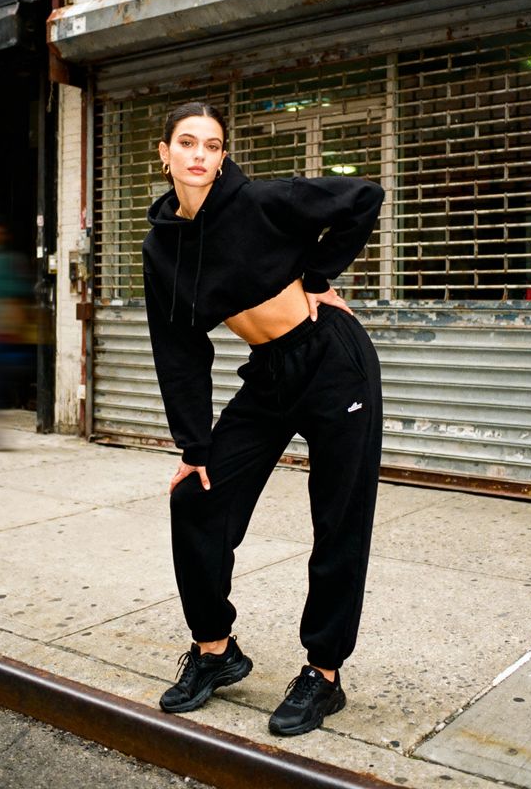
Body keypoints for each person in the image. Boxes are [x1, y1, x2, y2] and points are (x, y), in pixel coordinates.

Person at [142, 101, 384, 736]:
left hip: (333, 361)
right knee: (197, 499)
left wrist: (317, 275)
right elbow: (179, 349)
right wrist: (194, 445)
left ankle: (323, 673)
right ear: (164, 153)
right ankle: (215, 651)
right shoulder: (162, 246)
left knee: (337, 520)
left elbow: (363, 197)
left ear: (223, 156)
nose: (199, 155)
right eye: (187, 143)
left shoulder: (261, 201)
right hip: (269, 373)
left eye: (211, 145)